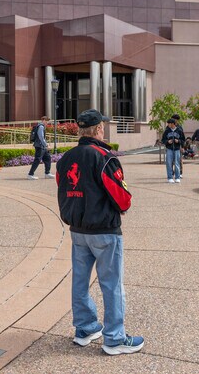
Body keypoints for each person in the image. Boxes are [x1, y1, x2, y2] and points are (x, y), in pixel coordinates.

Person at [56, 109, 144, 356]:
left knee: (80, 281)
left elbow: (62, 189)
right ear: (97, 130)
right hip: (105, 231)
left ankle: (85, 328)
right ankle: (114, 338)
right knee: (111, 284)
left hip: (78, 230)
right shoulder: (103, 157)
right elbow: (123, 198)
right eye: (103, 126)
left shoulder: (66, 159)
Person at [27, 115, 54, 180]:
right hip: (40, 146)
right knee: (37, 160)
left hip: (41, 146)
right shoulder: (41, 127)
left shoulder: (41, 126)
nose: (47, 123)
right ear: (44, 120)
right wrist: (46, 145)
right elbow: (41, 137)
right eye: (47, 121)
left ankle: (47, 173)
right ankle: (30, 174)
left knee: (47, 158)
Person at [162, 118, 185, 183]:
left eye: (169, 123)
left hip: (177, 149)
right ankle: (170, 177)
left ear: (173, 124)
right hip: (169, 149)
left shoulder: (179, 130)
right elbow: (163, 140)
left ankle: (177, 177)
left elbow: (183, 140)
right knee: (169, 163)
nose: (168, 124)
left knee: (177, 163)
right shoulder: (167, 131)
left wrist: (179, 141)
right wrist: (167, 142)